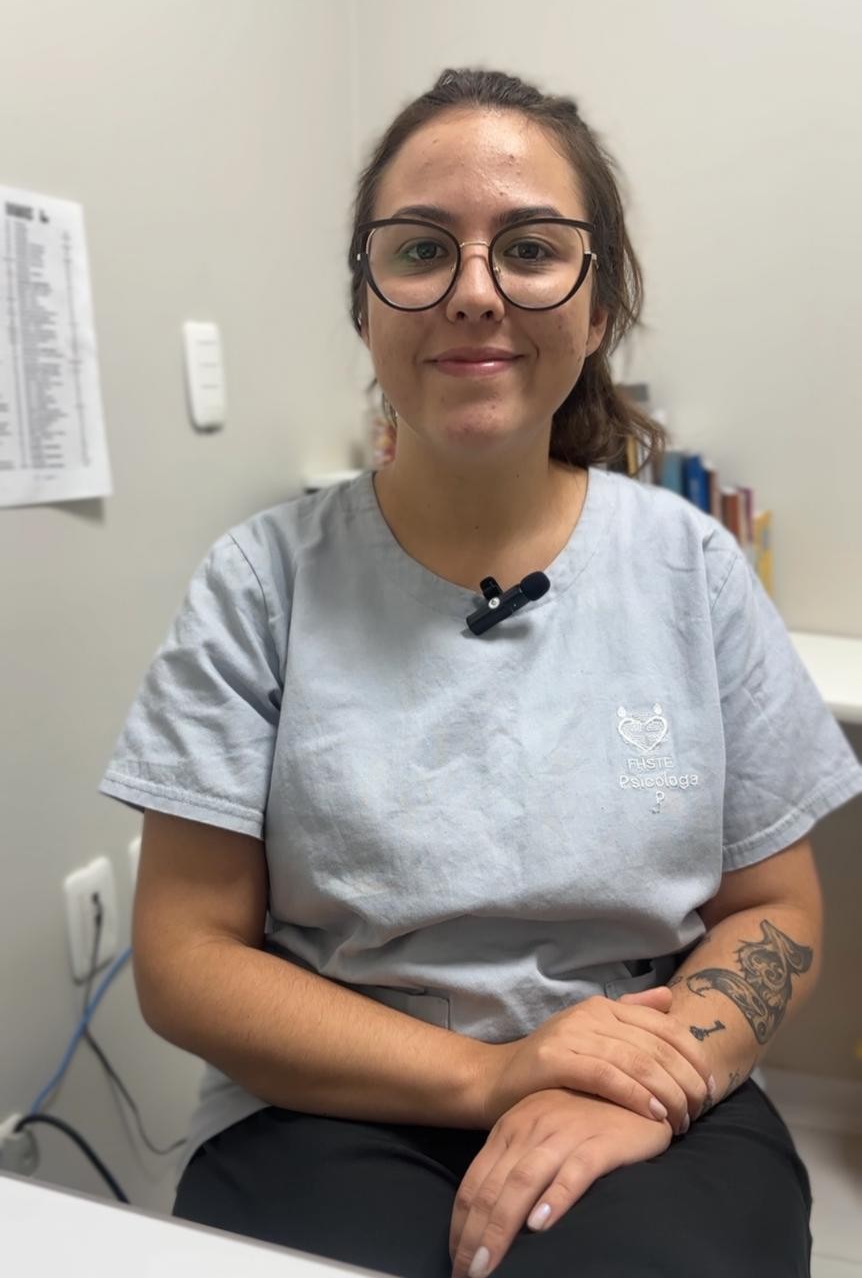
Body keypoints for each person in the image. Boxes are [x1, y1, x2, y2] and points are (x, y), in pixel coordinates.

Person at [99, 67, 862, 1278]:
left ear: (597, 305)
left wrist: (649, 1080)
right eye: (419, 250)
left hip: (643, 1071)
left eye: (530, 249)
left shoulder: (691, 568)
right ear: (365, 305)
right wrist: (494, 1072)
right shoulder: (261, 583)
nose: (472, 290)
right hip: (329, 1095)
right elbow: (188, 958)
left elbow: (776, 907)